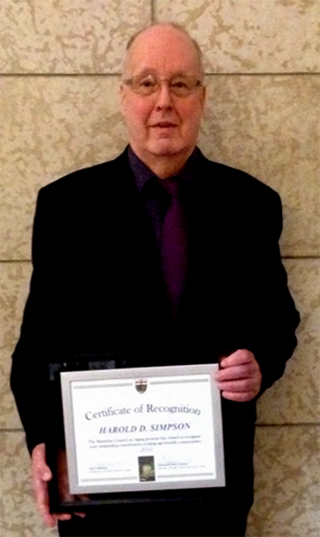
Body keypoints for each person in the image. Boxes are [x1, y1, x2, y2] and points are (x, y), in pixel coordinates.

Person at [11, 22, 300, 537]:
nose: (164, 100)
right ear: (123, 97)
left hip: (212, 497)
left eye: (181, 84)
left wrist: (260, 363)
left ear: (202, 98)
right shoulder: (65, 207)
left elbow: (277, 321)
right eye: (146, 83)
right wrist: (41, 445)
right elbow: (35, 349)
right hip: (100, 499)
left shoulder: (252, 204)